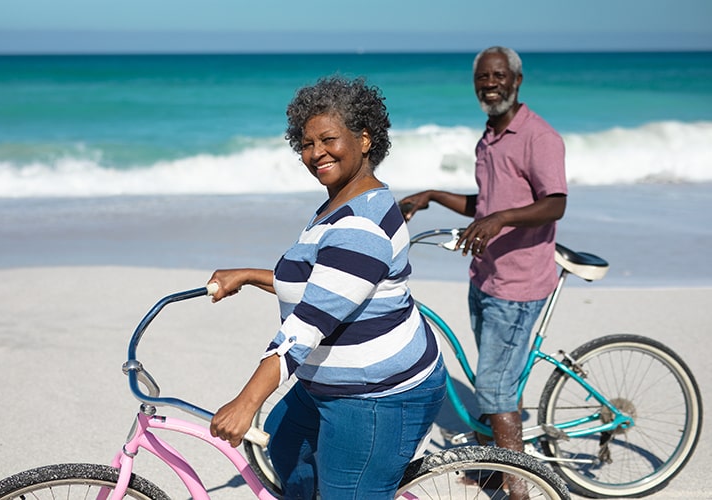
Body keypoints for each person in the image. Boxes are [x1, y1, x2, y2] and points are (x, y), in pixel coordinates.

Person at [208, 76, 447, 499]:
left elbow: (308, 324)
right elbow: (322, 282)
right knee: (283, 443)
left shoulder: (362, 225)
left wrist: (246, 402)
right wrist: (247, 274)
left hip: (376, 398)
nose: (315, 153)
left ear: (365, 139)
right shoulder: (342, 201)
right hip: (328, 383)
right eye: (305, 143)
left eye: (329, 139)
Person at [400, 46, 567, 466]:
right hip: (485, 276)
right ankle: (498, 462)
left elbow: (555, 204)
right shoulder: (489, 137)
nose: (490, 84)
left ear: (516, 80)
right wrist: (434, 195)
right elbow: (488, 202)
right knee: (499, 380)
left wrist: (502, 219)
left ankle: (518, 486)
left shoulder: (538, 137)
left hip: (519, 283)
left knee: (492, 388)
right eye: (482, 78)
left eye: (498, 76)